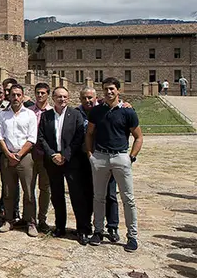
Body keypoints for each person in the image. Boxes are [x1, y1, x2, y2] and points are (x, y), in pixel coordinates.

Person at [86, 77, 143, 252]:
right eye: (105, 89)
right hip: (100, 157)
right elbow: (89, 133)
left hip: (120, 156)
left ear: (118, 90)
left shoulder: (128, 112)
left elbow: (138, 137)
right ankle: (98, 231)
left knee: (128, 198)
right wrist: (90, 155)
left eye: (112, 89)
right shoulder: (96, 111)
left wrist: (131, 157)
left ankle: (132, 236)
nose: (109, 92)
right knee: (99, 197)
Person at [37, 87, 93, 245]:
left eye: (65, 96)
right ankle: (60, 226)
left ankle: (82, 229)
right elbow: (41, 137)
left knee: (77, 196)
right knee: (57, 195)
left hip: (72, 161)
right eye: (59, 96)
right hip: (53, 161)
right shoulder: (46, 116)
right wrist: (53, 155)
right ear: (53, 98)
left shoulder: (75, 115)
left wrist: (65, 155)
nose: (62, 99)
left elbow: (79, 137)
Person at [77, 86, 120, 242]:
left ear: (96, 98)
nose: (87, 100)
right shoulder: (75, 113)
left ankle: (112, 227)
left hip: (105, 157)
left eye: (90, 98)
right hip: (83, 159)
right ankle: (85, 227)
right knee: (86, 194)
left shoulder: (104, 110)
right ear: (80, 99)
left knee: (110, 194)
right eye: (84, 98)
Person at [0, 84, 39, 237]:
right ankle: (8, 219)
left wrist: (19, 155)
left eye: (18, 95)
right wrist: (8, 154)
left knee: (28, 191)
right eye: (13, 95)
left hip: (25, 157)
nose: (15, 98)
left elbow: (32, 138)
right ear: (9, 96)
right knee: (8, 191)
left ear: (22, 96)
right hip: (7, 156)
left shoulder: (30, 115)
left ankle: (31, 222)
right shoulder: (3, 115)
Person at [28, 82, 52, 233]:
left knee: (45, 189)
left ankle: (42, 219)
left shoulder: (52, 112)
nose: (40, 95)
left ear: (47, 94)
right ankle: (30, 220)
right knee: (29, 188)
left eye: (43, 93)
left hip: (46, 156)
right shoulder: (28, 111)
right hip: (30, 154)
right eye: (38, 92)